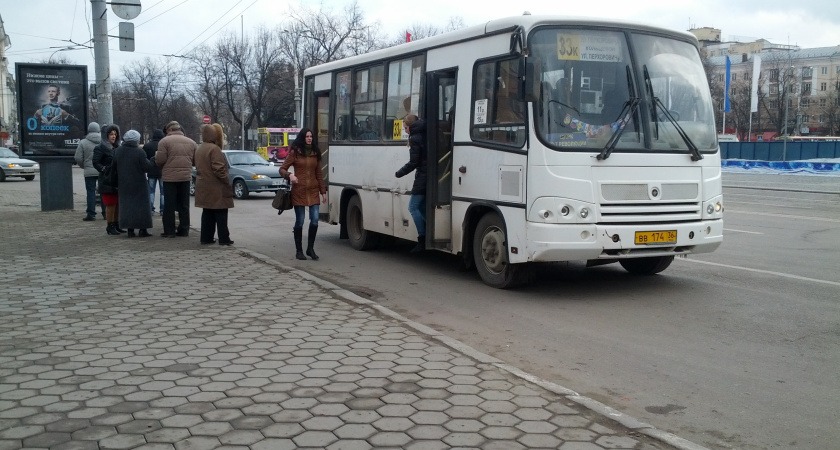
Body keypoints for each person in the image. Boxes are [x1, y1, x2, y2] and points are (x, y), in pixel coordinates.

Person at [279, 128, 326, 260]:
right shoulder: (295, 152)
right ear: (302, 138)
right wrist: (290, 175)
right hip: (299, 191)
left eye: (311, 136)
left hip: (313, 191)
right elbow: (282, 169)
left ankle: (310, 249)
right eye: (307, 136)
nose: (309, 138)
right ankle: (299, 251)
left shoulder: (315, 152)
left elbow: (319, 174)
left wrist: (323, 191)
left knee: (315, 221)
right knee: (300, 221)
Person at [194, 123, 234, 246]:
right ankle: (224, 238)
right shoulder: (214, 149)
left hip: (203, 185)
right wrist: (226, 181)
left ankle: (206, 237)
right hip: (216, 187)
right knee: (221, 213)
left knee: (207, 213)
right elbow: (218, 169)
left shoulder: (200, 148)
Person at [155, 120, 196, 237]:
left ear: (169, 130)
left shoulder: (164, 142)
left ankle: (170, 231)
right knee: (184, 205)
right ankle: (184, 229)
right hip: (185, 177)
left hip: (170, 178)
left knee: (169, 205)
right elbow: (195, 161)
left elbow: (160, 160)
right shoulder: (192, 142)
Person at [113, 130, 154, 238]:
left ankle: (130, 230)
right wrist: (153, 160)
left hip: (124, 183)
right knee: (142, 207)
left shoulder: (118, 151)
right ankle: (142, 229)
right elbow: (147, 167)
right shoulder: (139, 152)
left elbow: (114, 166)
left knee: (127, 206)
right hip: (139, 183)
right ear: (136, 140)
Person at [395, 114, 427, 252]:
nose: (405, 131)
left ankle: (422, 238)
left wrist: (399, 173)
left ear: (411, 126)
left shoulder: (415, 138)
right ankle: (429, 230)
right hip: (429, 176)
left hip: (422, 177)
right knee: (422, 207)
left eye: (405, 128)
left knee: (413, 207)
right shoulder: (425, 133)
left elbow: (414, 162)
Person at [92, 124, 123, 235]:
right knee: (110, 204)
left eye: (115, 134)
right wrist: (104, 169)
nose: (113, 136)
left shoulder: (118, 148)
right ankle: (110, 226)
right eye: (111, 134)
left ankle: (116, 224)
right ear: (106, 136)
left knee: (117, 203)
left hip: (117, 179)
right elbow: (96, 162)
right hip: (106, 180)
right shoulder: (100, 148)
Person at [74, 122, 103, 221]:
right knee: (103, 191)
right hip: (102, 171)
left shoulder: (83, 142)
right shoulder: (103, 141)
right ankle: (106, 213)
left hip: (89, 171)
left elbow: (78, 157)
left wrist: (84, 166)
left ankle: (91, 214)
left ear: (89, 130)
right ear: (98, 130)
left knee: (90, 192)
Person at [143, 129, 165, 215]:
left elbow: (145, 158)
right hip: (162, 171)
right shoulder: (163, 145)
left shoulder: (147, 146)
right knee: (163, 192)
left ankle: (151, 209)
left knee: (151, 191)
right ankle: (163, 210)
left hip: (151, 171)